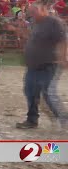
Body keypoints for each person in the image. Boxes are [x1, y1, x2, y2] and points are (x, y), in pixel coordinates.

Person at [13, 0, 68, 129]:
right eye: (31, 12)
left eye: (34, 11)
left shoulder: (54, 23)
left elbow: (63, 40)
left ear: (43, 10)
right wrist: (17, 29)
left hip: (49, 64)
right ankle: (32, 120)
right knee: (30, 91)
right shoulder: (35, 23)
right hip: (33, 65)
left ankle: (64, 119)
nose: (31, 14)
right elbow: (30, 37)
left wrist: (63, 57)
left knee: (48, 93)